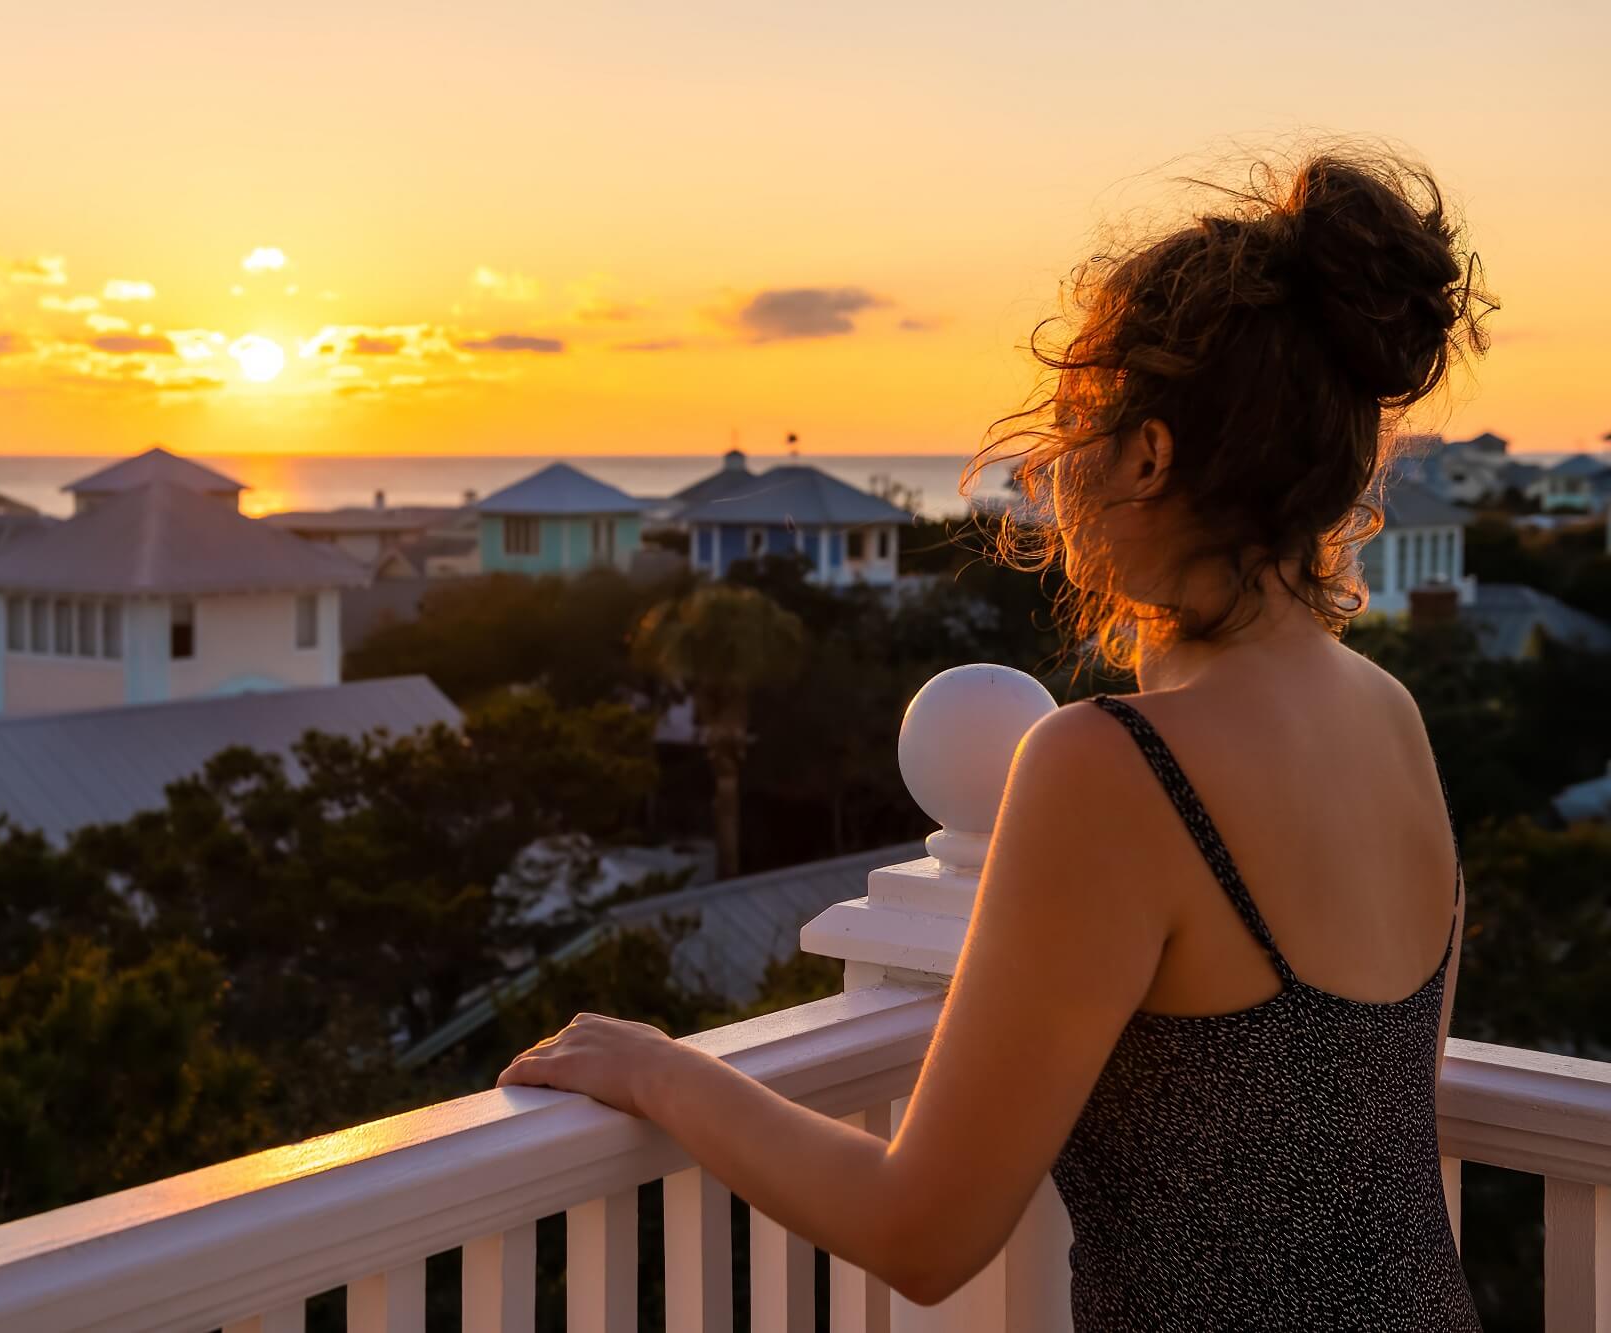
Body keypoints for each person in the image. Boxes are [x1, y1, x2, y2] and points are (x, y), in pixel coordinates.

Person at [498, 147, 1493, 1329]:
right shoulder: (1388, 716)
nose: (1045, 470)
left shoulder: (1112, 764)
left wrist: (657, 1067)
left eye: (1071, 427)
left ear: (1147, 452)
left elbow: (920, 1231)